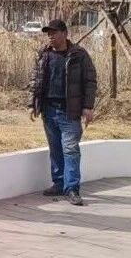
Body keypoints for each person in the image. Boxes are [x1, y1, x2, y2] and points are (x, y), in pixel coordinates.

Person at [28, 19, 98, 206]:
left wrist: (88, 106)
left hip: (69, 111)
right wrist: (32, 104)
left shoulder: (79, 55)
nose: (50, 36)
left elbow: (90, 81)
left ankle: (72, 188)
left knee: (70, 149)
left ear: (65, 33)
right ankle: (59, 183)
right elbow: (36, 80)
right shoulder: (44, 54)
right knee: (56, 149)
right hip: (48, 110)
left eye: (54, 33)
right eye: (48, 33)